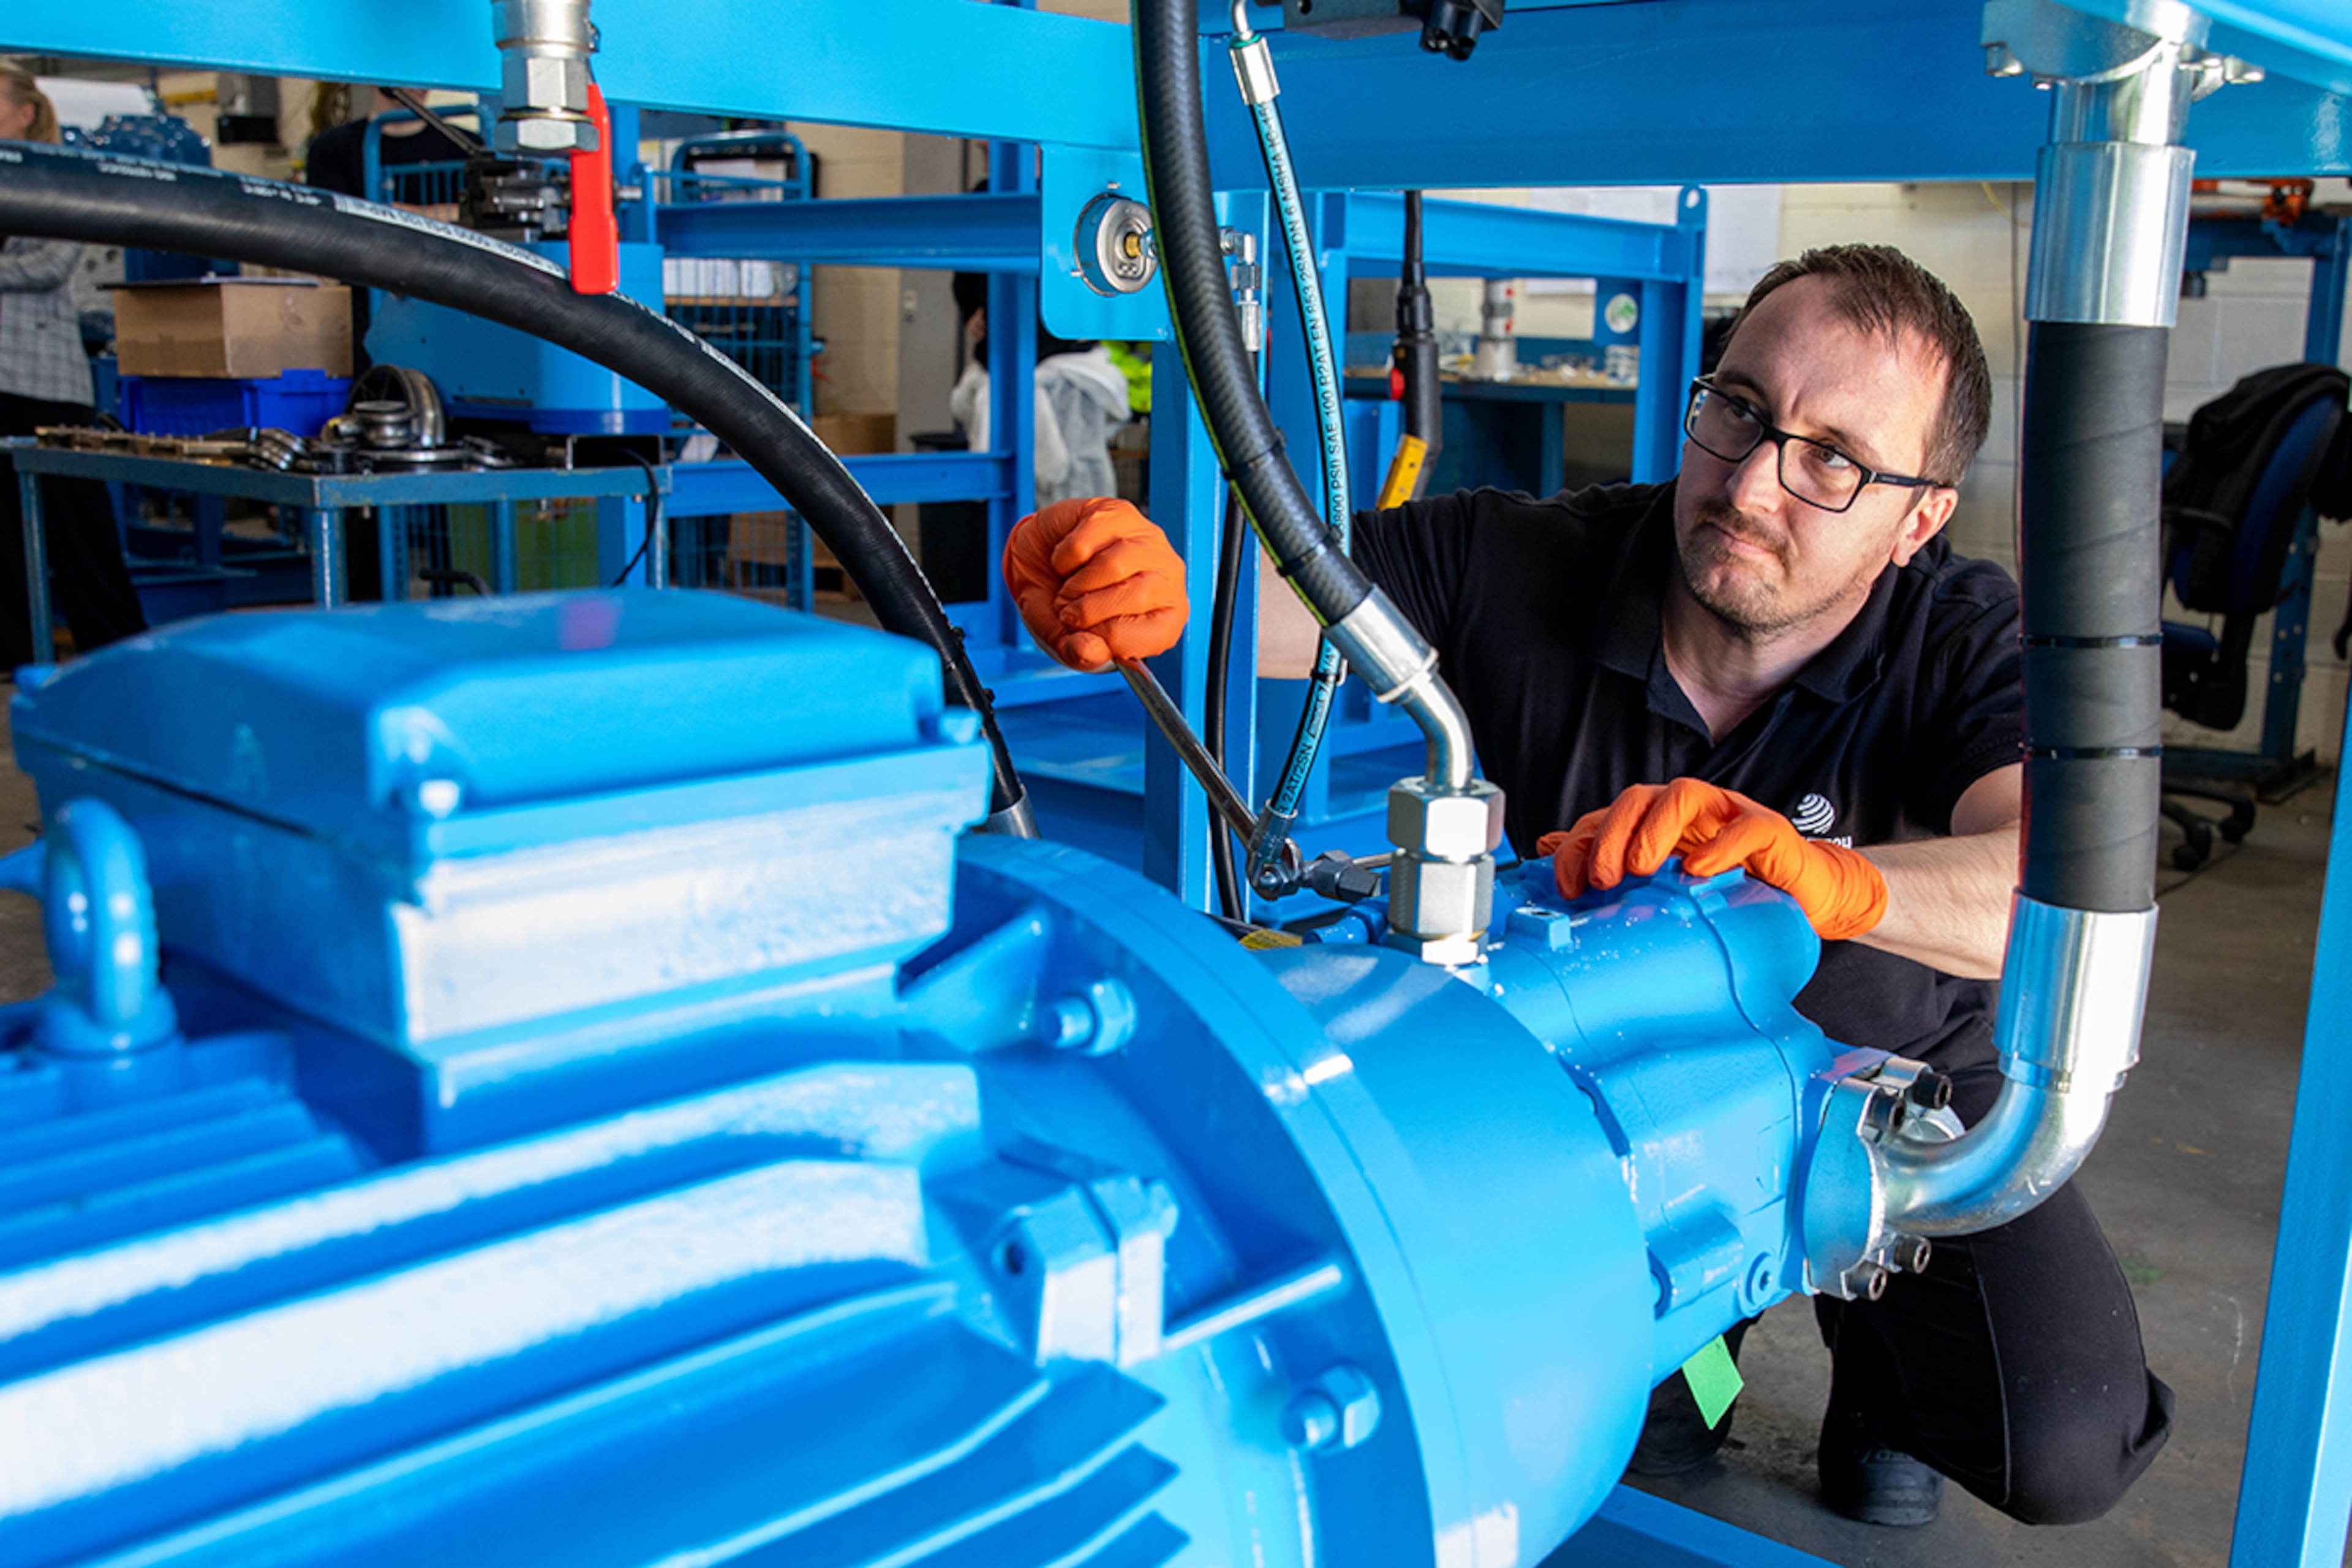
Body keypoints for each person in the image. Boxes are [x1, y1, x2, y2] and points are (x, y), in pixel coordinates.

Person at [997, 244, 2173, 1530]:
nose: (1754, 481)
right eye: (1739, 409)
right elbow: (1268, 603)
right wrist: (1142, 582)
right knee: (1598, 1437)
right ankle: (1709, 1335)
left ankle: (1877, 1368)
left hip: (1895, 1091)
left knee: (2059, 1441)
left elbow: (2048, 891)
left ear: (1919, 517)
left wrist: (1826, 878)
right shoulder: (1526, 556)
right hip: (1608, 1086)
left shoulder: (1967, 639)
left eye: (1835, 457)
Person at [0, 65, 148, 668]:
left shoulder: (59, 177)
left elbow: (51, 264)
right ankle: (14, 650)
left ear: (25, 112)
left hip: (44, 380)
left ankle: (117, 645)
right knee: (4, 530)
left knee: (79, 527)